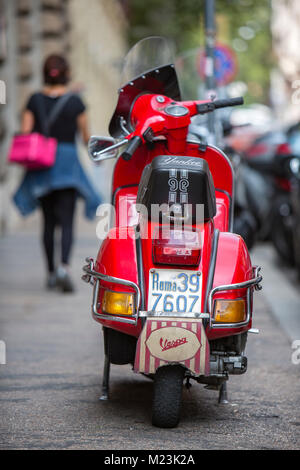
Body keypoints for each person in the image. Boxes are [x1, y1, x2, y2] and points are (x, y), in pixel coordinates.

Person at [13, 54, 101, 293]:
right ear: (67, 73)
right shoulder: (76, 102)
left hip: (42, 165)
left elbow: (25, 131)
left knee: (48, 223)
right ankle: (64, 267)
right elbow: (85, 137)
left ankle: (51, 273)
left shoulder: (34, 100)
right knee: (68, 221)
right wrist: (97, 157)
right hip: (67, 167)